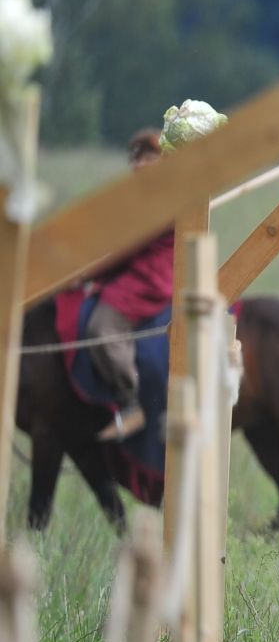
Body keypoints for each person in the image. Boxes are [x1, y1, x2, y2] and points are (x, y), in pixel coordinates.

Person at [86, 128, 172, 441]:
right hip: (139, 269)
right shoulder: (145, 194)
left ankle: (130, 401)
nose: (139, 164)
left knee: (101, 328)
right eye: (136, 157)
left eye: (148, 157)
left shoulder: (163, 195)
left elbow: (127, 246)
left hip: (151, 278)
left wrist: (87, 272)